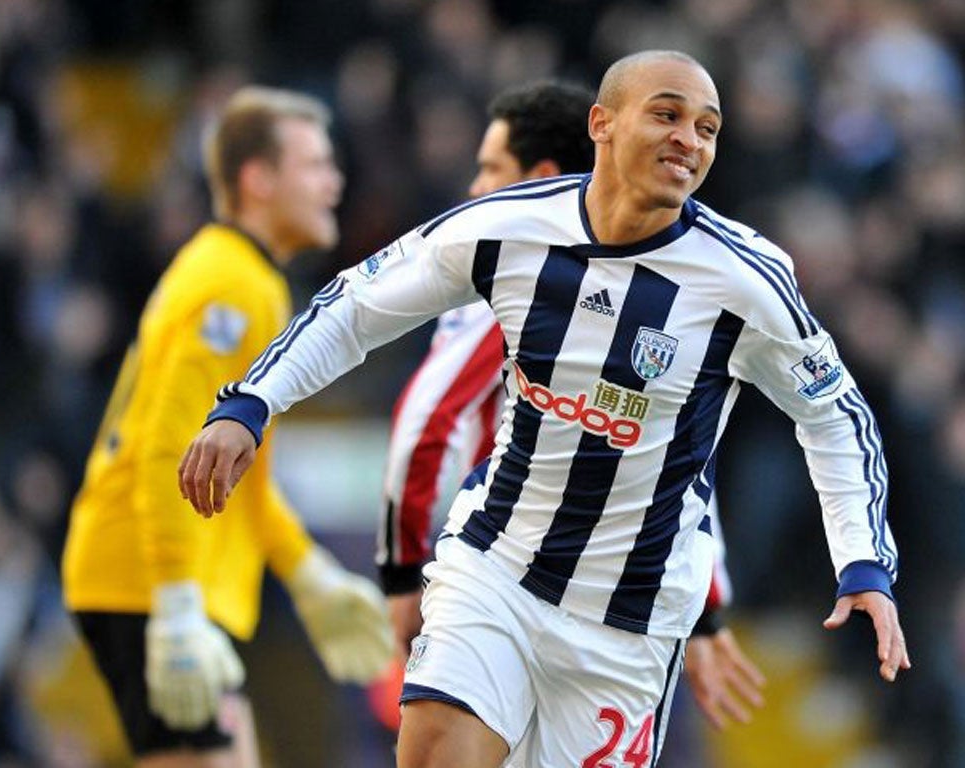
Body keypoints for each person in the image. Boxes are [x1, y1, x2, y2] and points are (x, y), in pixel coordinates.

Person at [179, 51, 909, 768]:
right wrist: (249, 402)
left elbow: (834, 417)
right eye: (667, 114)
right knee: (434, 752)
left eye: (708, 127)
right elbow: (359, 307)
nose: (690, 139)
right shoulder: (508, 228)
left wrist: (864, 561)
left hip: (626, 628)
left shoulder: (746, 279)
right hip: (498, 570)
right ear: (602, 123)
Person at [377, 79, 764, 732]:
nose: (475, 189)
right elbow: (683, 467)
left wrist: (400, 572)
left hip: (519, 586)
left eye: (490, 169)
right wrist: (708, 606)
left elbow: (425, 422)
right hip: (582, 602)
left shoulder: (519, 281)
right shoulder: (666, 289)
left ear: (543, 176)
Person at [62, 87, 393, 767]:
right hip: (149, 584)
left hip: (148, 579)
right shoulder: (231, 288)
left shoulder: (244, 278)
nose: (334, 183)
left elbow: (236, 477)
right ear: (257, 179)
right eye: (315, 165)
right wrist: (178, 606)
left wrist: (310, 576)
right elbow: (167, 450)